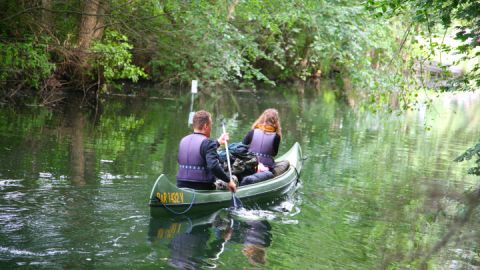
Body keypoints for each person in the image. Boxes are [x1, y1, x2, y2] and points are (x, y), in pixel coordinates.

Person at [176, 110, 237, 192]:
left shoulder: (183, 140)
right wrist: (228, 181)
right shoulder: (208, 142)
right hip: (202, 187)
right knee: (234, 179)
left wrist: (218, 142)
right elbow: (213, 166)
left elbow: (198, 150)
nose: (211, 127)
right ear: (205, 126)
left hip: (181, 185)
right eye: (211, 124)